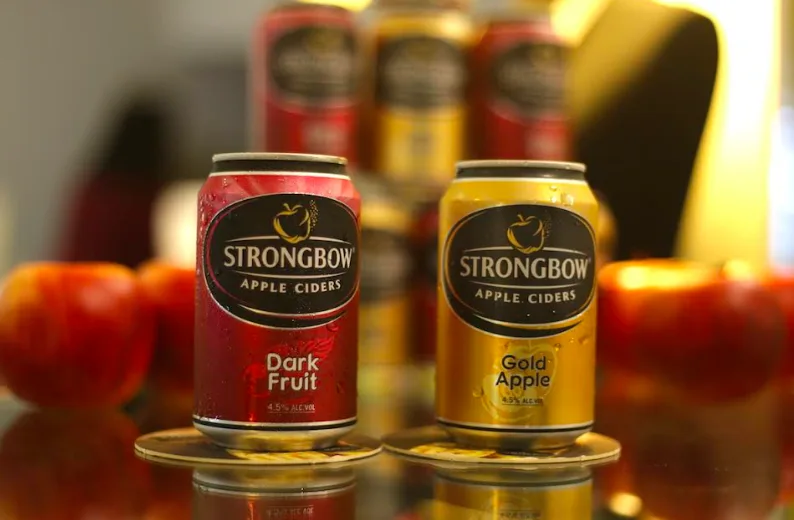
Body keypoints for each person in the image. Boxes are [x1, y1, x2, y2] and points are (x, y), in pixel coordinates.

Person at [58, 94, 170, 268]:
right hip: (113, 278)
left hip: (73, 272)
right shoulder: (140, 195)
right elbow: (141, 255)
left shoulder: (94, 184)